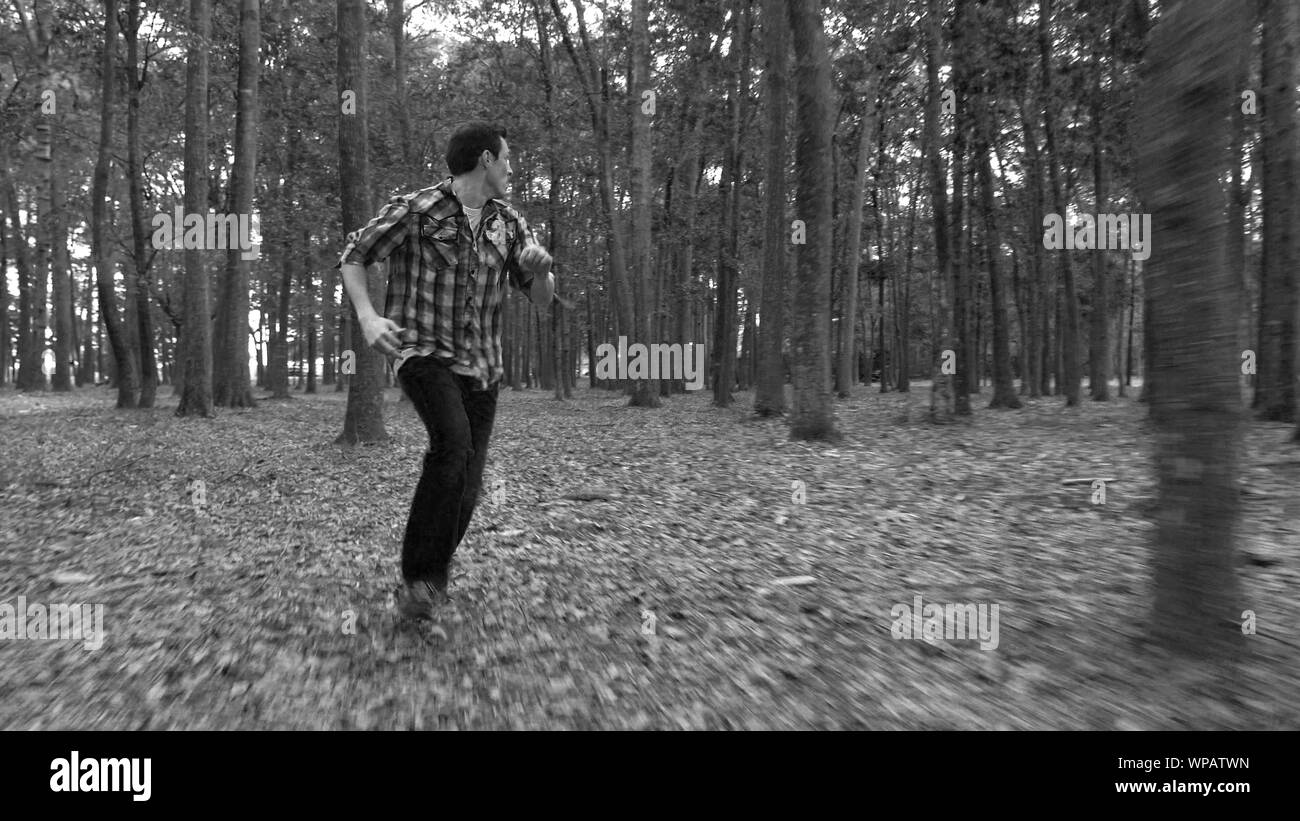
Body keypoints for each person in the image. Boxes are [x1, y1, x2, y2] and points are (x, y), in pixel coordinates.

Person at [337, 122, 554, 621]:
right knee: (452, 446)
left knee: (468, 483)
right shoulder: (417, 209)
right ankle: (419, 579)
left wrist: (542, 271)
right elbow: (354, 254)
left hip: (484, 367)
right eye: (507, 158)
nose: (511, 168)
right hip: (423, 353)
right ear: (485, 159)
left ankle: (430, 579)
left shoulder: (510, 223)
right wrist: (368, 317)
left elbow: (542, 299)